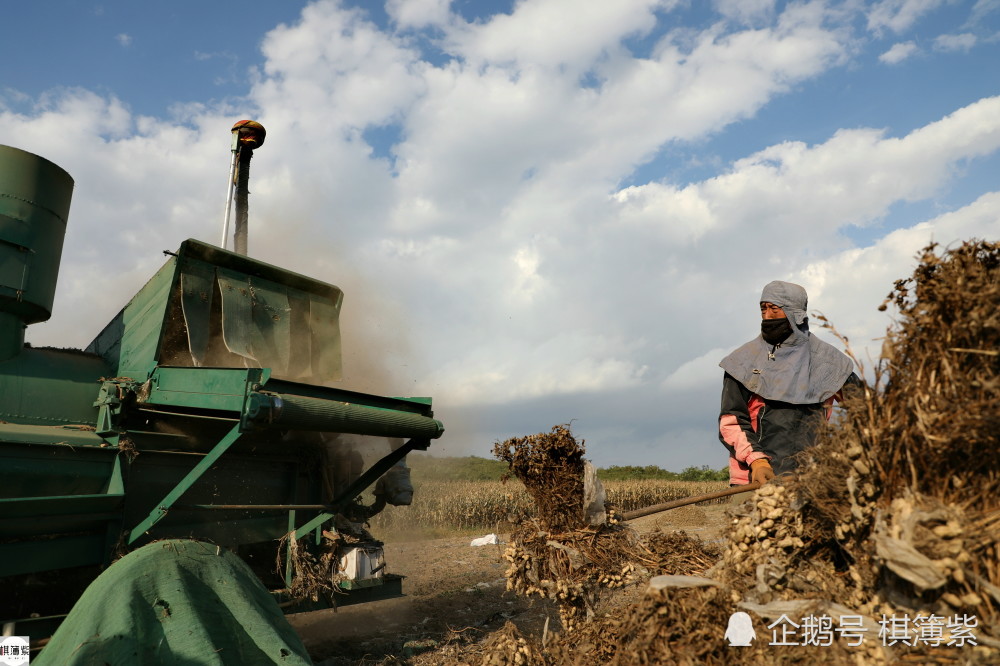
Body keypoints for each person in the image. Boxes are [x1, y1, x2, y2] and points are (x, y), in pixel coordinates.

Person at [718, 280, 857, 486]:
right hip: (755, 478)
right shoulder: (742, 362)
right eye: (763, 309)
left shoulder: (830, 362)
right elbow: (730, 422)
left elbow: (867, 410)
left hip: (813, 480)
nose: (767, 316)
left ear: (796, 313)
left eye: (774, 309)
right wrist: (757, 461)